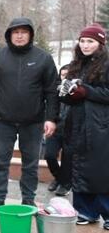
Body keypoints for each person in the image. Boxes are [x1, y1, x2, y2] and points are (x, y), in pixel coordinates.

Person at [0, 18, 58, 215]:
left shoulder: (43, 58)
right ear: (9, 35)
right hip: (3, 120)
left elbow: (52, 91)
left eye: (24, 32)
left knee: (31, 164)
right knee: (0, 162)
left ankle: (28, 199)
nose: (20, 36)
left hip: (33, 121)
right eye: (16, 32)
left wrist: (51, 118)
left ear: (30, 35)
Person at [58, 24, 109, 228]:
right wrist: (67, 93)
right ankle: (85, 211)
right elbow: (71, 96)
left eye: (90, 41)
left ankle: (107, 213)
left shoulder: (107, 64)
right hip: (76, 123)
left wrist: (85, 91)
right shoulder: (76, 64)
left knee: (101, 169)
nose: (85, 45)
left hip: (100, 125)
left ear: (100, 43)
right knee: (77, 167)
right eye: (82, 41)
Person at [44, 65, 71, 196]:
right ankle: (60, 178)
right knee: (49, 155)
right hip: (55, 128)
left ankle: (65, 185)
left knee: (67, 159)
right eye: (62, 75)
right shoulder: (55, 91)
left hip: (71, 130)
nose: (64, 77)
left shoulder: (76, 91)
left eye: (67, 75)